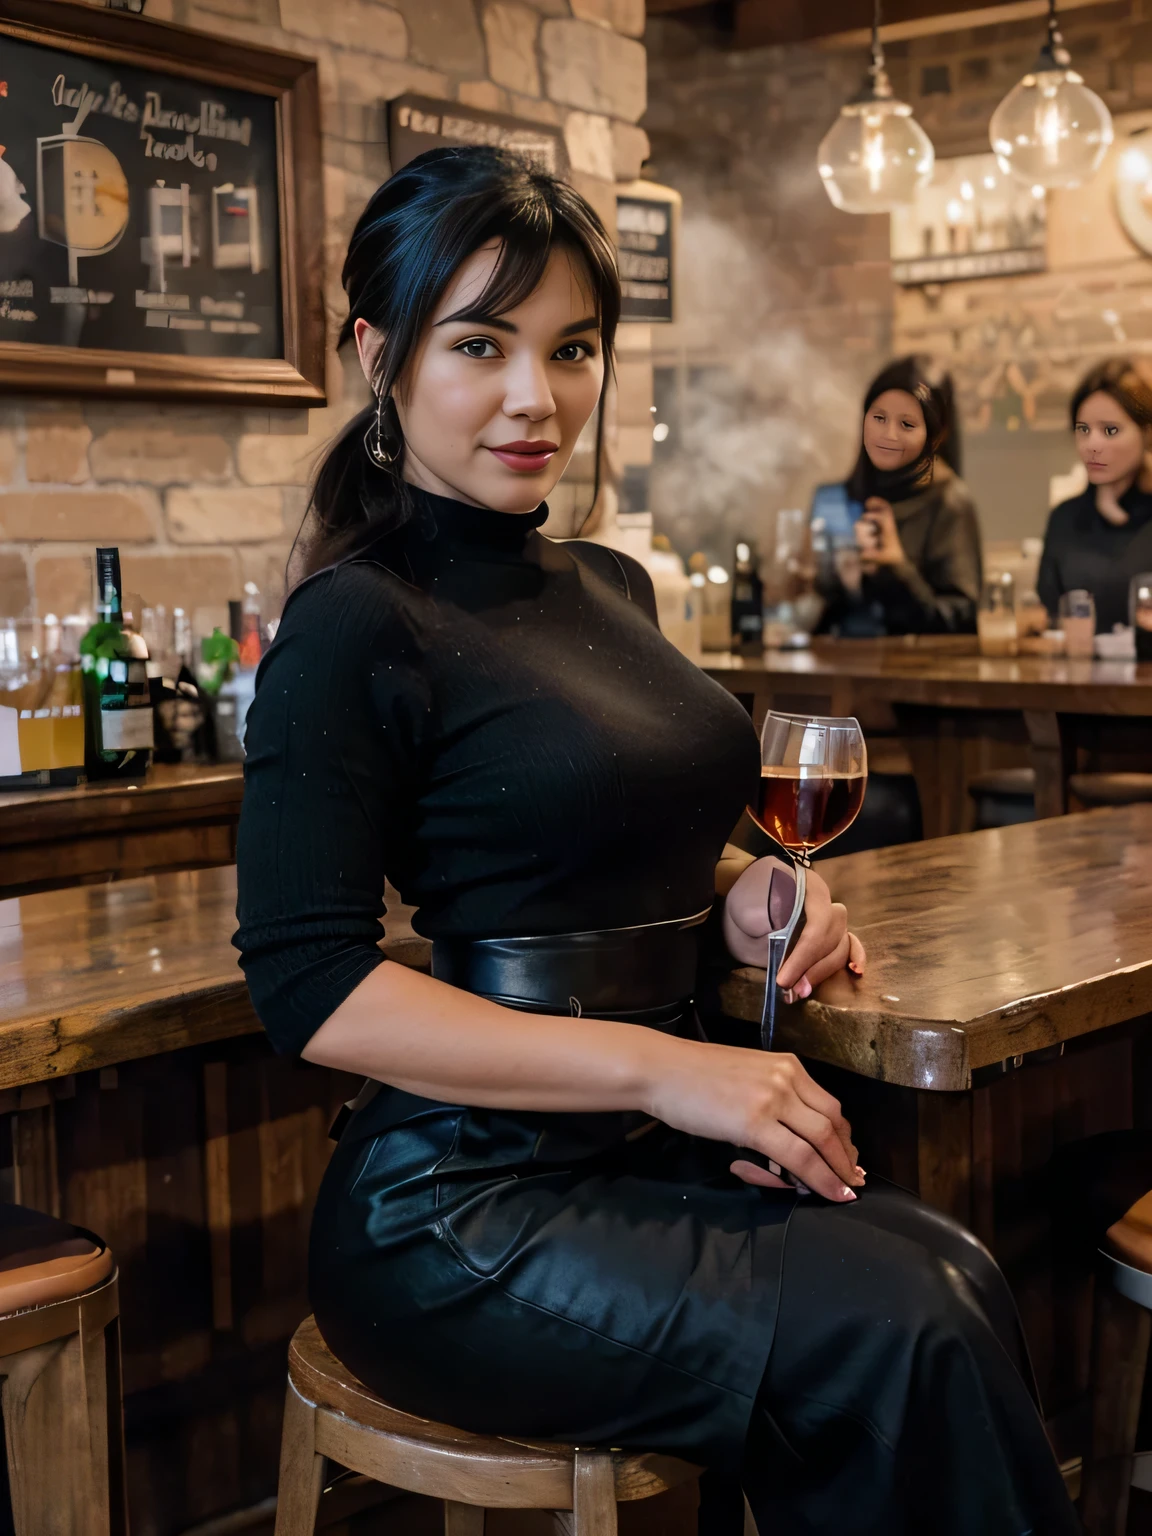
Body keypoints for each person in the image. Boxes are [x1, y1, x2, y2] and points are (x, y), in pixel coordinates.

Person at [234, 148, 1077, 1536]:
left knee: (956, 1271)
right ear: (380, 354)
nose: (536, 395)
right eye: (481, 343)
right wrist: (678, 1074)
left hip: (636, 1154)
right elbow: (310, 988)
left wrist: (744, 895)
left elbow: (602, 843)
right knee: (903, 1327)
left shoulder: (612, 584)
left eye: (572, 348)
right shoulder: (355, 619)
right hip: (458, 1210)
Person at [813, 355, 983, 635]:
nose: (888, 435)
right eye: (879, 418)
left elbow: (962, 621)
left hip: (915, 673)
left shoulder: (949, 502)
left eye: (907, 424)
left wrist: (896, 569)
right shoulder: (838, 498)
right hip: (838, 670)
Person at [1038, 357, 1152, 631]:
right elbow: (1049, 621)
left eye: (1110, 430)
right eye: (1083, 430)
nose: (1092, 445)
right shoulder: (1065, 518)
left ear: (1147, 433)